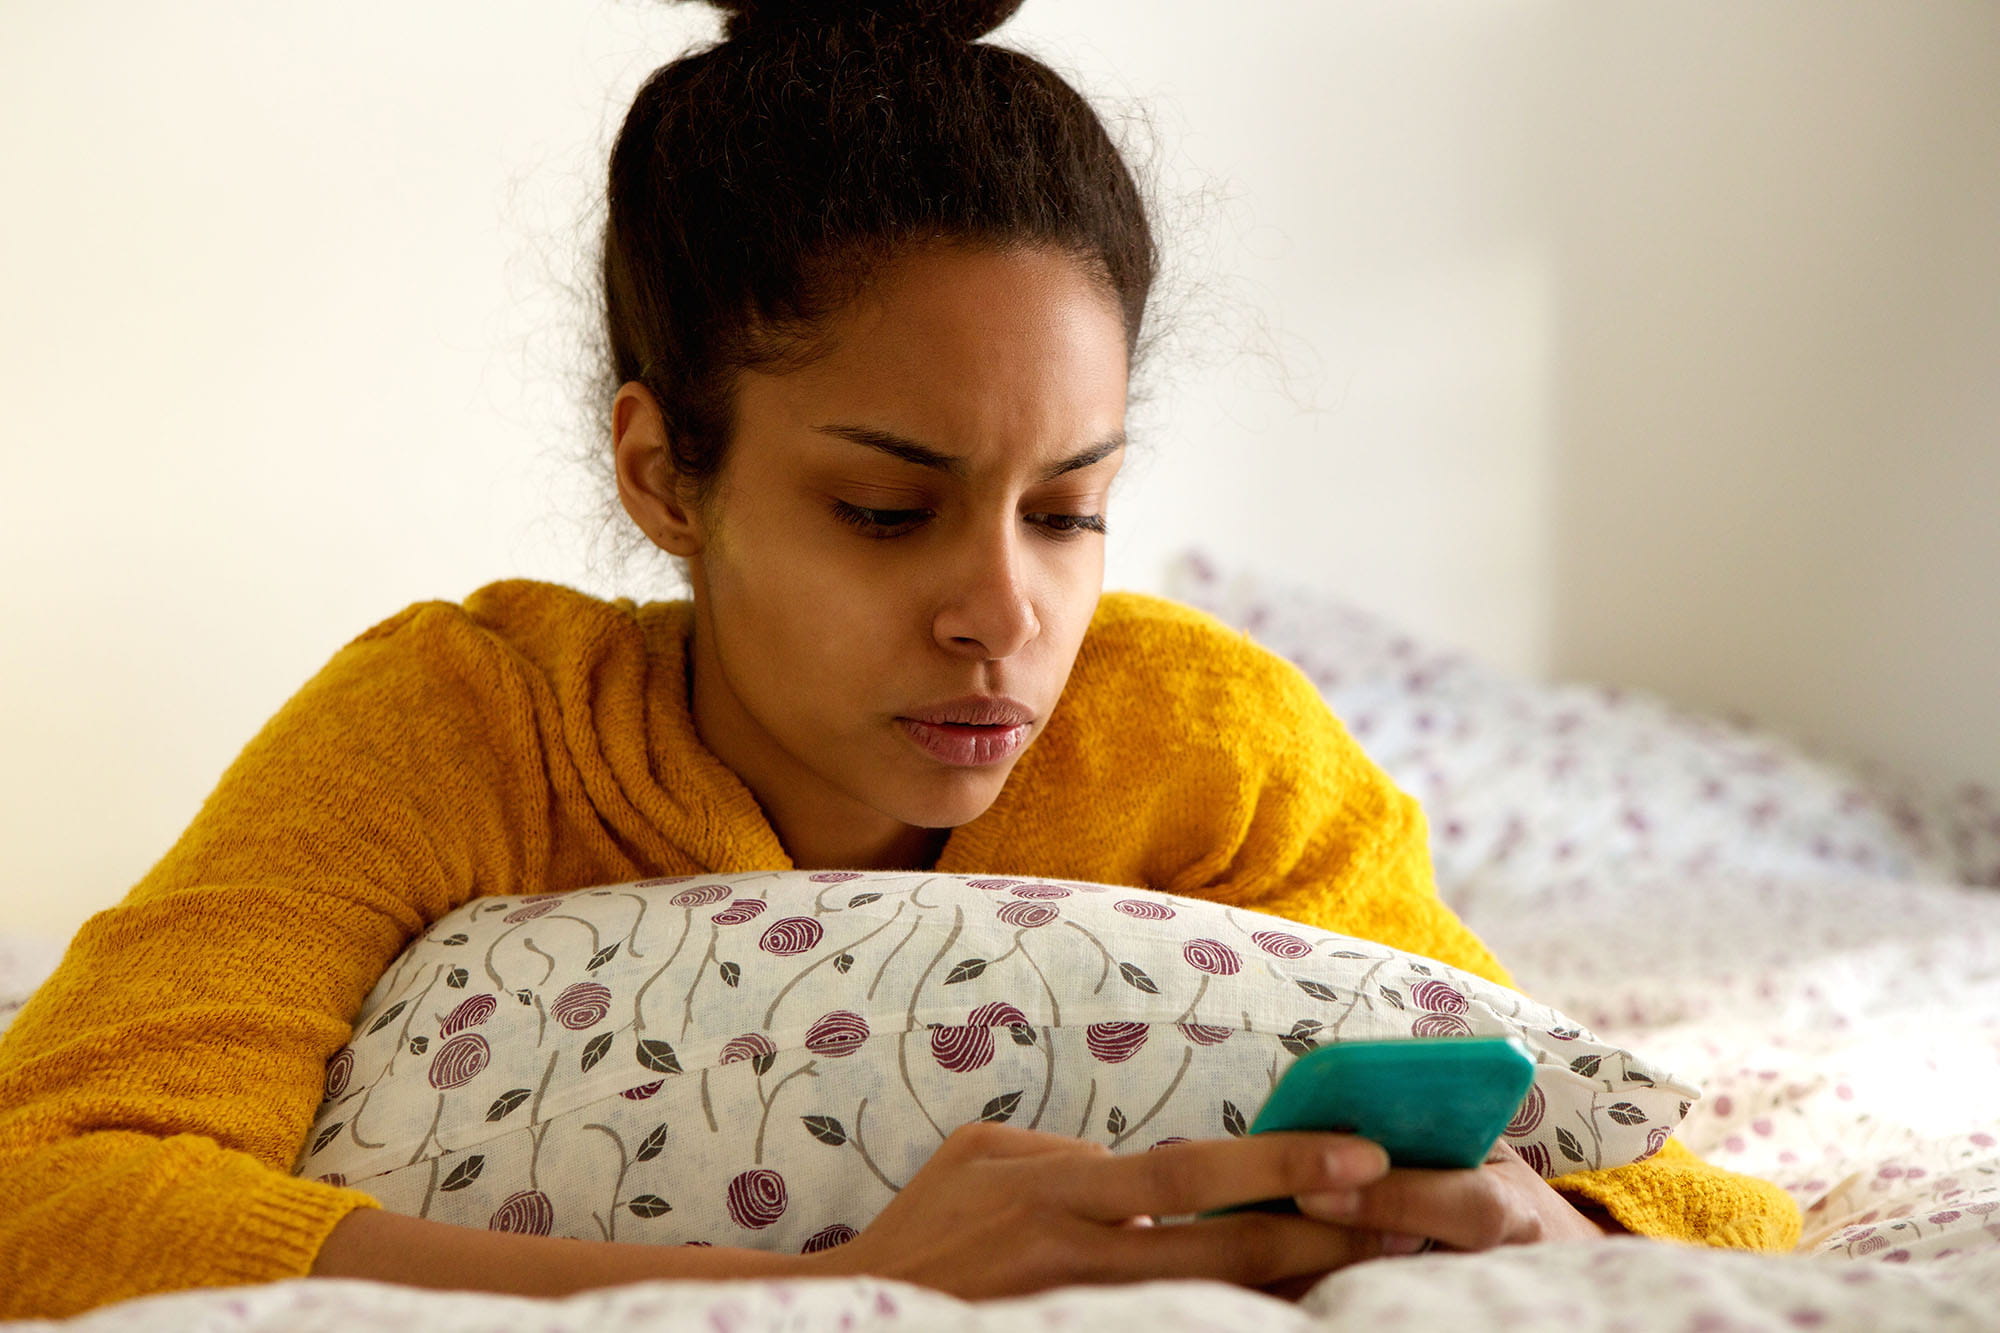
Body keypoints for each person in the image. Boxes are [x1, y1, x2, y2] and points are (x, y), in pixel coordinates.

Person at [0, 0, 1802, 1317]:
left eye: (1068, 510)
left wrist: (1544, 1237)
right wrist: (826, 1290)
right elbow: (55, 1188)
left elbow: (1683, 1190)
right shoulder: (465, 728)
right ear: (663, 470)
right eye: (884, 510)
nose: (1002, 613)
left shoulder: (1205, 745)